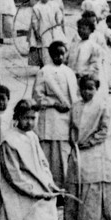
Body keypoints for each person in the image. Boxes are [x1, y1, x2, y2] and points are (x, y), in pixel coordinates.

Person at [65, 76, 111, 220]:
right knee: (79, 178)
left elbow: (105, 129)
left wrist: (89, 142)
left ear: (96, 89)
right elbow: (72, 127)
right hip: (80, 148)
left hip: (100, 149)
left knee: (102, 181)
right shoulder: (75, 107)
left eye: (90, 88)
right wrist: (74, 141)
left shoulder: (103, 106)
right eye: (83, 88)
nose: (87, 92)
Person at [31, 41, 78, 192]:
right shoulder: (44, 72)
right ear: (50, 55)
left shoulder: (69, 72)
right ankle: (50, 187)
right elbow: (37, 97)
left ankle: (64, 189)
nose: (59, 57)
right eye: (56, 54)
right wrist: (53, 103)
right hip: (50, 118)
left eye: (62, 54)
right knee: (50, 156)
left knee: (64, 155)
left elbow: (74, 97)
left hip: (66, 119)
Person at [67, 18, 108, 89]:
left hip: (85, 77)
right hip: (73, 75)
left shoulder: (94, 46)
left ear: (90, 31)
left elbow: (95, 64)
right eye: (79, 28)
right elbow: (68, 59)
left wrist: (84, 74)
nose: (80, 31)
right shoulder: (74, 45)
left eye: (84, 29)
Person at [29, 0, 65, 68]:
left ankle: (56, 63)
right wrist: (36, 31)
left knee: (56, 44)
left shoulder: (54, 4)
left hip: (54, 28)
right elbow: (34, 21)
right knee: (44, 47)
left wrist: (58, 20)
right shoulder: (37, 7)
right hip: (43, 29)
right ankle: (45, 65)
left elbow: (59, 13)